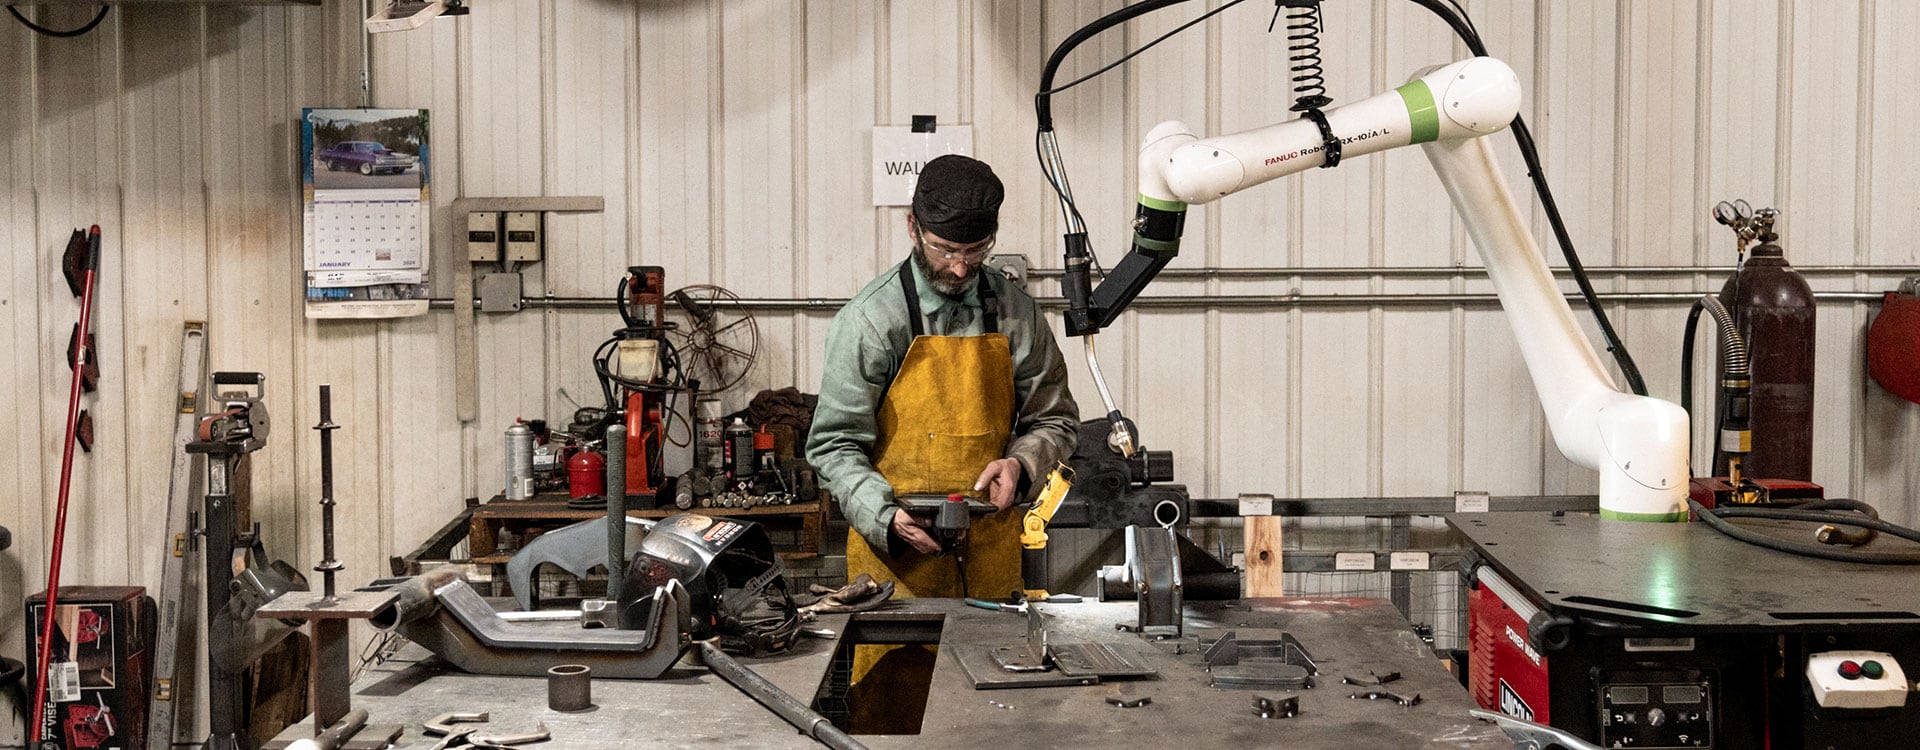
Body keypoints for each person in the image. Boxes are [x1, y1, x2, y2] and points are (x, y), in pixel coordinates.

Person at [806, 154, 1079, 731]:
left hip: (991, 569)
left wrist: (1022, 465)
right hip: (896, 575)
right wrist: (882, 514)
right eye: (943, 250)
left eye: (974, 252)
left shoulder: (1015, 312)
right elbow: (833, 445)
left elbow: (1055, 421)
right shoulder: (873, 320)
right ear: (912, 228)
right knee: (891, 722)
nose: (958, 268)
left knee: (997, 727)